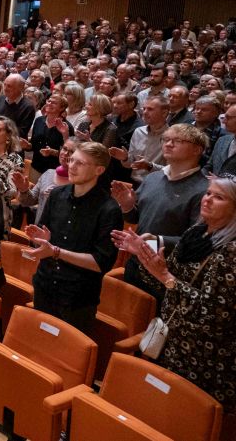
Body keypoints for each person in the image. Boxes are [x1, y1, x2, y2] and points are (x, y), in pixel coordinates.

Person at [112, 177, 236, 435]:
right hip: (172, 342)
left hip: (205, 357)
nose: (207, 199)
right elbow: (165, 283)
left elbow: (213, 313)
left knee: (187, 423)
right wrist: (144, 257)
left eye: (219, 197)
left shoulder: (231, 252)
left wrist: (166, 277)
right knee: (161, 414)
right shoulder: (195, 233)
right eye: (208, 193)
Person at [25, 142, 121, 333]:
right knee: (39, 343)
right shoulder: (56, 195)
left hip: (77, 298)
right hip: (45, 285)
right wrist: (42, 239)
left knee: (67, 349)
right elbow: (44, 239)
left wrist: (56, 252)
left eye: (80, 163)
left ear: (99, 170)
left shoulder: (109, 210)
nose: (71, 166)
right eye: (71, 160)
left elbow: (100, 263)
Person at [110, 123, 209, 302]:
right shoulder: (153, 178)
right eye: (166, 139)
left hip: (168, 271)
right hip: (137, 262)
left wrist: (158, 240)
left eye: (177, 140)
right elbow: (135, 217)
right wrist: (127, 205)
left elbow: (198, 240)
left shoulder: (205, 190)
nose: (168, 144)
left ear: (197, 149)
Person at [12, 138, 77, 222]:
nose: (65, 153)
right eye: (64, 149)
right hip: (40, 227)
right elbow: (29, 201)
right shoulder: (49, 173)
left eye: (71, 152)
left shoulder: (79, 182)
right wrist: (24, 190)